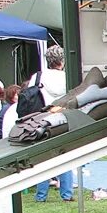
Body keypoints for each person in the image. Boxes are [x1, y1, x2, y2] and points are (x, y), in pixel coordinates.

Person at [32, 45, 74, 202]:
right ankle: (67, 193)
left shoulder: (37, 77)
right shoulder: (67, 78)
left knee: (43, 158)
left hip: (41, 119)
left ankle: (41, 195)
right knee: (65, 155)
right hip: (62, 119)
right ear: (62, 61)